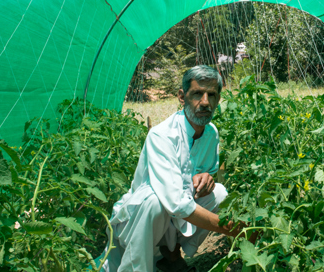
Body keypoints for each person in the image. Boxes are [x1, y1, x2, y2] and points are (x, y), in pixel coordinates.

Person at [102, 65, 242, 272]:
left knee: (219, 193)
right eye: (197, 94)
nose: (205, 102)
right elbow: (177, 204)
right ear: (182, 97)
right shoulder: (162, 135)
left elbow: (207, 171)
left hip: (173, 221)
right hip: (141, 222)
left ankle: (172, 255)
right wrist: (231, 229)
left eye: (211, 95)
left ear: (218, 99)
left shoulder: (211, 133)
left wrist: (207, 177)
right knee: (154, 202)